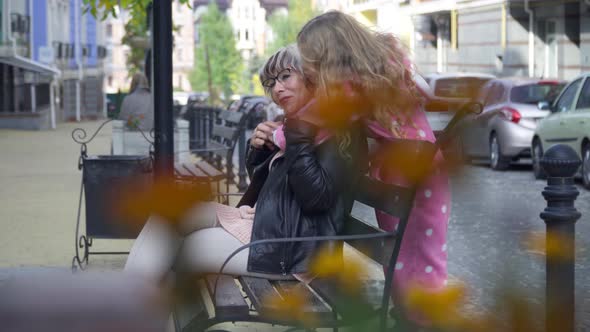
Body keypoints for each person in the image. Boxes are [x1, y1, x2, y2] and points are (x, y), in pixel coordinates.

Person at [124, 44, 368, 281]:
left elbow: (316, 199)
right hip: (268, 225)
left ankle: (126, 312)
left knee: (178, 247)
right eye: (271, 83)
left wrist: (296, 136)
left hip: (294, 251)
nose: (278, 88)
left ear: (311, 77)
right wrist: (261, 151)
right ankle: (128, 312)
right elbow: (273, 186)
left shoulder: (337, 128)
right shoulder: (299, 125)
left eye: (286, 76)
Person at [297, 11, 452, 320]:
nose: (309, 70)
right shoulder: (386, 66)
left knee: (408, 260)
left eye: (311, 62)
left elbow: (319, 120)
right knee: (417, 257)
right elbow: (427, 92)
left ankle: (426, 321)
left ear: (329, 57)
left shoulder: (351, 88)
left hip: (405, 175)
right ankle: (419, 319)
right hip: (417, 172)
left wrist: (280, 136)